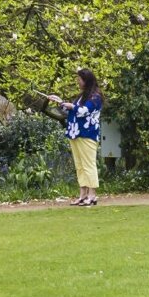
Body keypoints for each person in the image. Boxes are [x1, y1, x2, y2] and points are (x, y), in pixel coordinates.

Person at [48, 69, 104, 207]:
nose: (78, 81)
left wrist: (71, 105)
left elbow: (83, 111)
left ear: (87, 80)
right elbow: (71, 111)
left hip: (88, 134)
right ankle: (83, 194)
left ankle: (92, 195)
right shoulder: (82, 96)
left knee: (89, 164)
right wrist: (60, 102)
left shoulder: (95, 97)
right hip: (75, 133)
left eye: (80, 79)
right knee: (80, 166)